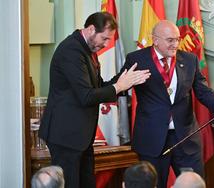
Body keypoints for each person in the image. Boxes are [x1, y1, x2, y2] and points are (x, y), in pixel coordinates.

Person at [38, 12, 150, 188]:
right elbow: (86, 96)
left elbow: (98, 87)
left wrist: (127, 79)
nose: (106, 44)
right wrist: (119, 86)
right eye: (104, 39)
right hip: (65, 136)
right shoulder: (71, 50)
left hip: (81, 137)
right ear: (91, 29)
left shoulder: (88, 48)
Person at [118, 20, 214, 188]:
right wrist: (122, 85)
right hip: (153, 139)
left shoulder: (189, 59)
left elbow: (201, 90)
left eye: (178, 39)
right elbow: (119, 85)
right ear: (155, 40)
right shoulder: (137, 59)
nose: (175, 44)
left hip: (186, 137)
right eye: (170, 40)